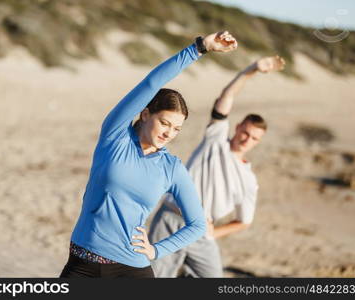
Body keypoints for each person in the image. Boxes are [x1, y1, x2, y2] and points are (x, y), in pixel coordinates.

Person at [59, 31, 238, 278]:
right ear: (145, 114)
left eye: (176, 129)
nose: (169, 133)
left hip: (131, 269)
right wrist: (199, 48)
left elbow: (197, 225)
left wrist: (156, 250)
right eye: (165, 123)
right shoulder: (115, 136)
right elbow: (151, 84)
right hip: (82, 263)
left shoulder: (171, 167)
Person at [148, 55, 286, 277]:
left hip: (202, 231)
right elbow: (227, 96)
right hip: (171, 220)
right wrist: (252, 69)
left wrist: (215, 232)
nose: (246, 139)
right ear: (238, 126)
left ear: (258, 142)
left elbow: (244, 221)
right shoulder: (216, 139)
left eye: (254, 138)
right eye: (245, 132)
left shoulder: (249, 180)